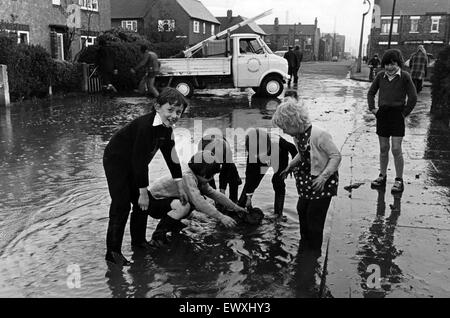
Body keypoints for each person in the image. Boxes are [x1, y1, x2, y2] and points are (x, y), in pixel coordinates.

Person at [103, 87, 189, 266]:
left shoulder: (166, 129)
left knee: (144, 205)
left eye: (178, 112)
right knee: (122, 205)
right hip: (116, 162)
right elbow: (139, 161)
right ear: (157, 107)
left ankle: (139, 242)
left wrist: (180, 185)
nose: (174, 115)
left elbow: (172, 157)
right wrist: (142, 192)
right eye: (170, 110)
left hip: (135, 165)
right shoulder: (145, 126)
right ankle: (112, 252)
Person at [272, 98, 341, 254]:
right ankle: (305, 243)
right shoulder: (298, 136)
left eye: (284, 128)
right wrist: (291, 165)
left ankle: (314, 252)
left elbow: (336, 156)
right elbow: (303, 154)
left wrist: (323, 177)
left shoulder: (319, 134)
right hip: (307, 180)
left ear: (293, 122)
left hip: (322, 182)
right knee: (301, 208)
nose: (283, 132)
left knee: (314, 216)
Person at [147, 150, 247, 246]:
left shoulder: (197, 176)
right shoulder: (188, 177)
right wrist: (221, 217)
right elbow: (199, 202)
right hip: (153, 203)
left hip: (167, 201)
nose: (212, 178)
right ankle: (158, 236)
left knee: (189, 203)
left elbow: (214, 194)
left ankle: (173, 224)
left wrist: (234, 207)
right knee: (185, 205)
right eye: (211, 176)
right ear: (203, 174)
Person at [367, 49, 417, 194]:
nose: (389, 67)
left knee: (396, 149)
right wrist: (373, 109)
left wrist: (405, 113)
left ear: (398, 63)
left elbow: (413, 97)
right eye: (387, 64)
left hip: (397, 115)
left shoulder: (405, 77)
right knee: (383, 148)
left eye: (392, 64)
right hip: (383, 115)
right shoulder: (380, 76)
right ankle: (382, 175)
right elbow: (371, 92)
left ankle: (399, 179)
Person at [237, 127, 298, 216]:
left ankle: (278, 214)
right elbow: (249, 175)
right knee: (253, 181)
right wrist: (249, 196)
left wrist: (293, 165)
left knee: (278, 181)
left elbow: (292, 148)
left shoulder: (277, 142)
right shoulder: (253, 151)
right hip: (261, 161)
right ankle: (240, 207)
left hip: (280, 157)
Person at [198, 135, 242, 203]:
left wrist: (222, 192)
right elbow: (208, 175)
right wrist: (215, 196)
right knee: (207, 177)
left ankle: (234, 200)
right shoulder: (205, 153)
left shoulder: (227, 152)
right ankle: (213, 201)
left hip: (222, 151)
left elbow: (224, 172)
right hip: (207, 153)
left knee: (232, 171)